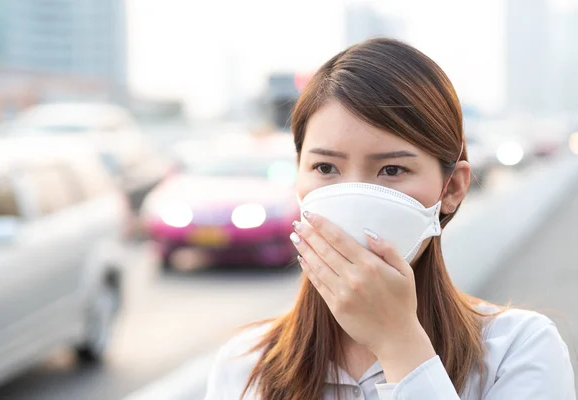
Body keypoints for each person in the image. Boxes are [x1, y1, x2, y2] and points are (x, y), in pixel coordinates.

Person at [204, 38, 575, 400]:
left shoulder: (518, 352)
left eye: (392, 169)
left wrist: (400, 343)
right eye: (325, 167)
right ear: (298, 177)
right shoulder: (244, 365)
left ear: (452, 188)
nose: (354, 198)